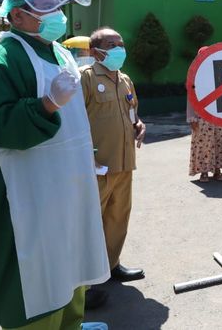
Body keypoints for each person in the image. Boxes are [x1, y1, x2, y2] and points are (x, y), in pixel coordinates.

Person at [0, 0, 109, 329]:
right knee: (40, 270)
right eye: (44, 5)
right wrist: (46, 105)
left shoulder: (60, 52)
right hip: (30, 191)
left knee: (72, 258)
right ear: (16, 15)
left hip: (69, 185)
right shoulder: (4, 59)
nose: (57, 12)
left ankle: (72, 322)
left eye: (56, 2)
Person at [81, 27, 147, 288]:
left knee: (118, 216)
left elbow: (133, 113)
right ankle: (88, 276)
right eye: (112, 45)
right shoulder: (84, 78)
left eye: (121, 44)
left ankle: (111, 265)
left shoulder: (125, 79)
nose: (119, 49)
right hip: (96, 165)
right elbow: (73, 121)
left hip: (124, 162)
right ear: (96, 52)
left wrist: (139, 124)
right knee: (91, 219)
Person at [186, 46, 222, 182]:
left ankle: (217, 170)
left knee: (219, 142)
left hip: (219, 115)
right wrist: (191, 117)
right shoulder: (195, 75)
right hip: (202, 116)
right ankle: (204, 172)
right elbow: (191, 98)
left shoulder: (219, 73)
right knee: (204, 144)